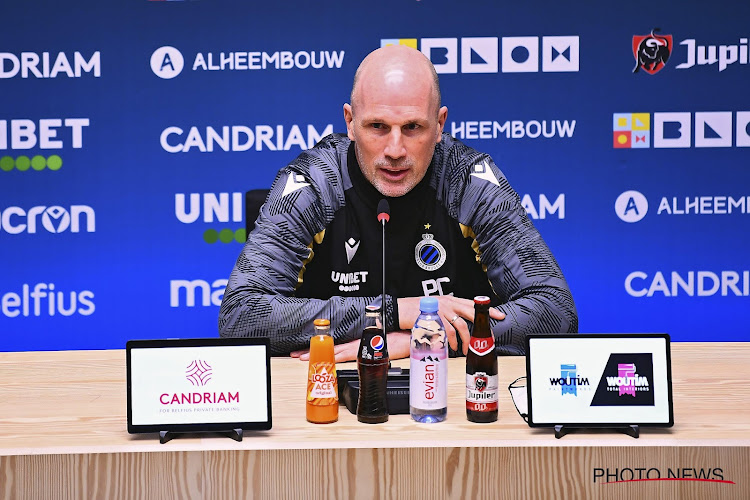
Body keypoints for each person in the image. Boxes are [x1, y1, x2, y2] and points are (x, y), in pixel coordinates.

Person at [219, 45, 577, 361]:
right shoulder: (312, 184)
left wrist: (423, 338)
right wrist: (391, 313)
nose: (394, 151)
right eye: (377, 126)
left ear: (439, 125)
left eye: (412, 128)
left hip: (452, 399)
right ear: (350, 122)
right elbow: (241, 316)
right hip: (329, 396)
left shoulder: (470, 183)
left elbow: (555, 311)